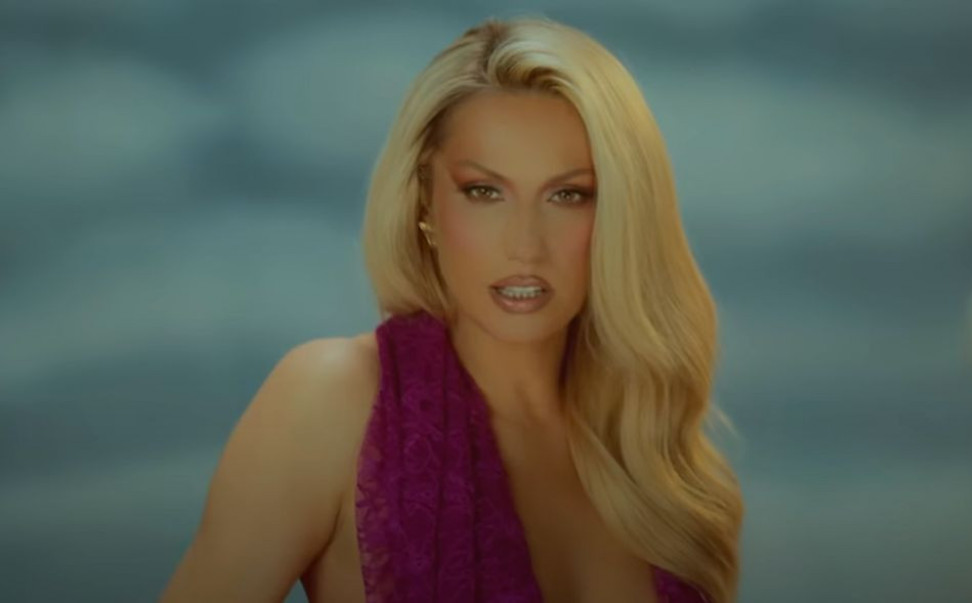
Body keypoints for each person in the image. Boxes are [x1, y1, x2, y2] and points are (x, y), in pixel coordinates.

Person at [160, 15, 743, 603]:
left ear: (622, 213)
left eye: (568, 195)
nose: (525, 245)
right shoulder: (330, 399)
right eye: (484, 192)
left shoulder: (654, 459)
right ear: (425, 203)